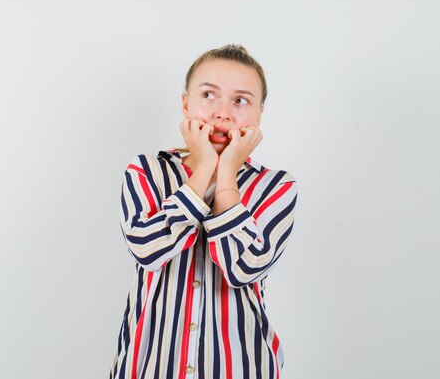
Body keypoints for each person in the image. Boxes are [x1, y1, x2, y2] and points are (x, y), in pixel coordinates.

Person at [109, 44, 299, 379]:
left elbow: (241, 268)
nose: (223, 113)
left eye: (240, 101)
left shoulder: (277, 187)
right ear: (186, 104)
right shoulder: (146, 172)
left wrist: (225, 174)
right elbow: (148, 250)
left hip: (240, 367)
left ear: (258, 116)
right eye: (209, 95)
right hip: (149, 366)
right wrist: (204, 170)